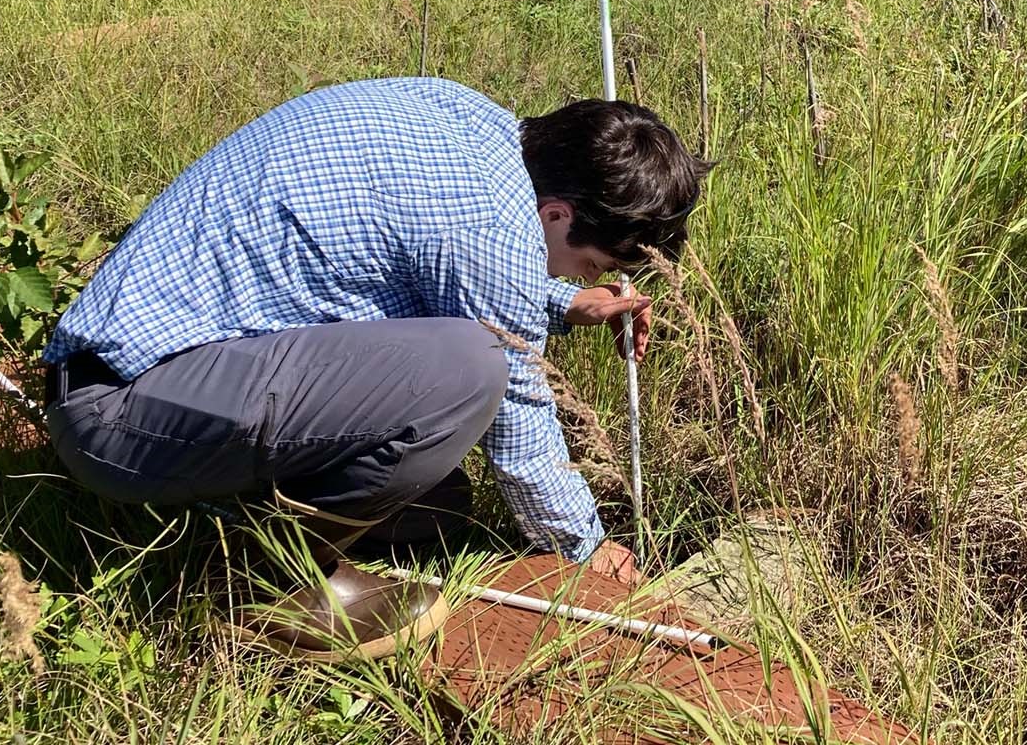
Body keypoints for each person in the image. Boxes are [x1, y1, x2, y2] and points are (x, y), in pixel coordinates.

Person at [40, 77, 708, 662]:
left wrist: (565, 300)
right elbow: (520, 421)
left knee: (434, 503)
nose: (578, 275)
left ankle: (236, 516)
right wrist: (582, 549)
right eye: (590, 265)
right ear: (558, 214)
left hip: (151, 371)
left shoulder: (474, 126)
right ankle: (263, 584)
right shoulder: (490, 232)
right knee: (469, 372)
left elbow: (439, 261)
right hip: (121, 416)